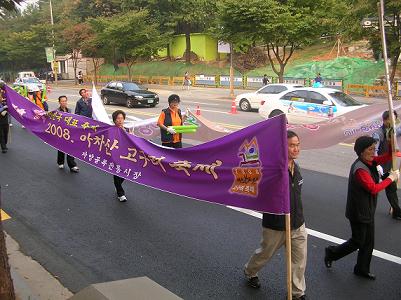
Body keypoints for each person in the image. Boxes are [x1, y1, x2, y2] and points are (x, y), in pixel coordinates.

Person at [324, 136, 399, 280]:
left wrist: (391, 143)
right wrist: (391, 178)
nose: (374, 152)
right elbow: (373, 188)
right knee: (358, 241)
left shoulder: (370, 161)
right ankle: (331, 253)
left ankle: (361, 269)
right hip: (358, 212)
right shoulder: (360, 169)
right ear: (361, 151)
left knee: (369, 242)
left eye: (374, 148)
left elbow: (387, 157)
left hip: (368, 210)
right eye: (370, 149)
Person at [244, 130, 307, 300]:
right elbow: (260, 191)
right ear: (282, 147)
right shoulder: (272, 169)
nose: (296, 149)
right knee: (265, 253)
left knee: (299, 262)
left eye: (298, 145)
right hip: (276, 224)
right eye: (292, 145)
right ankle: (250, 271)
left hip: (297, 223)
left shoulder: (296, 167)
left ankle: (297, 293)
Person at [372, 110, 401, 220]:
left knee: (391, 190)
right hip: (377, 167)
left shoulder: (392, 131)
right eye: (391, 119)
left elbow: (398, 131)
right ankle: (367, 211)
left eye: (395, 119)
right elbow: (374, 149)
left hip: (388, 166)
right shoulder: (378, 133)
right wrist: (376, 165)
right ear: (384, 120)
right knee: (372, 191)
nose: (394, 121)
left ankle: (396, 212)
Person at [57, 96, 79, 173]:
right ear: (59, 102)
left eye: (65, 101)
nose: (64, 102)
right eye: (62, 101)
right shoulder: (57, 112)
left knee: (70, 149)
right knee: (61, 149)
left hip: (69, 133)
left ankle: (72, 165)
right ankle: (60, 162)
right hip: (60, 133)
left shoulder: (69, 110)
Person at [112, 110, 129, 202]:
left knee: (125, 173)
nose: (120, 120)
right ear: (114, 120)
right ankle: (120, 193)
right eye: (118, 118)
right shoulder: (111, 130)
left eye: (122, 118)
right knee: (117, 172)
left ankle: (117, 186)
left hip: (126, 156)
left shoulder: (127, 129)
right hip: (115, 155)